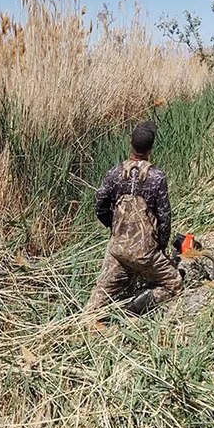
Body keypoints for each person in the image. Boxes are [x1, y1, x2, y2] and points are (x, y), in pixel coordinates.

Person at [86, 121, 183, 317]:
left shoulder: (115, 173)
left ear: (131, 144)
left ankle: (87, 321)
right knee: (175, 285)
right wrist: (160, 247)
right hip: (146, 253)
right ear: (151, 148)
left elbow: (99, 204)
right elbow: (165, 218)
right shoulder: (157, 177)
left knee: (100, 293)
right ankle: (138, 304)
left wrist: (113, 227)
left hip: (118, 250)